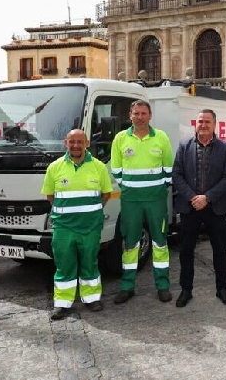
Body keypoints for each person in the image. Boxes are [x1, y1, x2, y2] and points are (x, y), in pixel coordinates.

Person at [41, 129, 112, 320]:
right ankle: (62, 304)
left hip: (90, 226)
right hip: (64, 227)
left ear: (87, 143)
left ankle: (91, 299)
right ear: (66, 143)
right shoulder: (55, 167)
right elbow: (50, 196)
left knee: (90, 262)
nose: (76, 145)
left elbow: (106, 193)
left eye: (80, 142)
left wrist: (89, 211)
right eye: (72, 142)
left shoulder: (98, 167)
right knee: (64, 264)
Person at [110, 100, 173, 304]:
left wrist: (154, 188)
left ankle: (162, 286)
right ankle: (127, 287)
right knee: (130, 243)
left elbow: (169, 170)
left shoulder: (161, 137)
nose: (140, 116)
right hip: (131, 201)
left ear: (150, 115)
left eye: (143, 113)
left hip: (156, 200)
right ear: (130, 116)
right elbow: (117, 171)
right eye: (136, 113)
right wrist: (131, 188)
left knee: (160, 242)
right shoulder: (120, 139)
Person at [172, 109, 226, 307]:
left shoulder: (225, 148)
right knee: (186, 250)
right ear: (195, 124)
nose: (203, 125)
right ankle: (186, 290)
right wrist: (192, 197)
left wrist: (207, 197)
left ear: (214, 124)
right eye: (200, 121)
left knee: (220, 250)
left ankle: (222, 288)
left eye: (207, 122)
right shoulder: (184, 146)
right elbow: (177, 175)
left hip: (215, 206)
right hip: (190, 206)